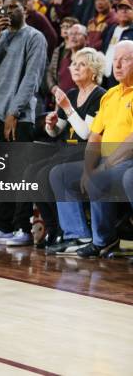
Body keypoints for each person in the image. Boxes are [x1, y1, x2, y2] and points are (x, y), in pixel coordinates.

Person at [49, 41, 133, 258]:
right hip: (108, 160)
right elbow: (95, 135)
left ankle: (103, 239)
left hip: (127, 159)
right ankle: (77, 235)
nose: (118, 64)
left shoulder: (102, 93)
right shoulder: (111, 95)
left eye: (125, 59)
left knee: (107, 177)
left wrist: (103, 165)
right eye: (115, 60)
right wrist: (88, 168)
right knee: (60, 173)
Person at [0, 0, 47, 245]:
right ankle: (4, 226)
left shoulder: (35, 38)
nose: (8, 12)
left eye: (14, 7)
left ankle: (22, 229)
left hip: (20, 116)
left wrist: (13, 112)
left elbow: (32, 78)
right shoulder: (0, 37)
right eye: (4, 8)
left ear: (25, 10)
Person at [102, 0, 133, 87]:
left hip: (123, 78)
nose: (123, 11)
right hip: (105, 76)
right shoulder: (110, 29)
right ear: (116, 12)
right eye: (120, 9)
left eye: (128, 8)